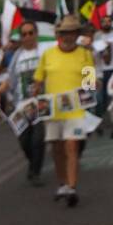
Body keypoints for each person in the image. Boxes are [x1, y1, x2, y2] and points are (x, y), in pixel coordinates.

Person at [30, 13, 95, 208]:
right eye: (65, 33)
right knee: (57, 149)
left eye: (72, 32)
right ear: (60, 35)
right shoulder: (48, 54)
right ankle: (63, 183)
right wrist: (36, 89)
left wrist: (94, 83)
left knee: (71, 146)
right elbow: (38, 79)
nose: (68, 36)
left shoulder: (85, 54)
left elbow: (89, 83)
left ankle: (72, 188)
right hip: (53, 110)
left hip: (76, 110)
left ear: (77, 34)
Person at [1, 20, 45, 186]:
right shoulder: (17, 56)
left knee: (38, 139)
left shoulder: (44, 52)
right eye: (24, 34)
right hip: (22, 104)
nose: (27, 37)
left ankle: (35, 171)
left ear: (36, 34)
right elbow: (10, 80)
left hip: (41, 103)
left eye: (30, 33)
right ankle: (33, 163)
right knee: (24, 140)